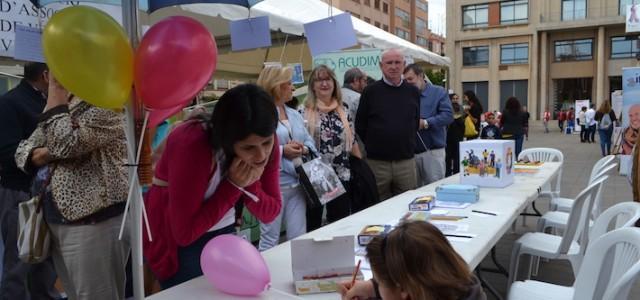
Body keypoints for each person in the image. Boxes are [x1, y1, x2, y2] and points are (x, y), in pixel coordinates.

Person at [143, 84, 282, 289]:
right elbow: (184, 234)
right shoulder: (192, 143)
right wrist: (234, 185)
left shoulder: (265, 136)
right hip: (176, 244)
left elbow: (271, 212)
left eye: (267, 143)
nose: (261, 155)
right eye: (248, 147)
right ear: (228, 141)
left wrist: (247, 184)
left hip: (223, 233)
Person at [15, 74, 129, 299]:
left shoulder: (109, 102)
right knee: (75, 293)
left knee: (95, 294)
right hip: (58, 218)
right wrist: (50, 152)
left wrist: (55, 96)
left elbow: (65, 144)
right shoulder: (70, 100)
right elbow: (23, 151)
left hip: (94, 219)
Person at [0, 63, 58, 300]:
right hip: (21, 195)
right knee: (19, 265)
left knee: (45, 267)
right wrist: (46, 152)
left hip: (47, 195)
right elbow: (6, 152)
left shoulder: (48, 103)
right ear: (46, 75)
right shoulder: (11, 103)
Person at [338, 221, 486, 300]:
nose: (377, 286)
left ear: (403, 290)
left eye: (379, 282)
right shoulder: (463, 285)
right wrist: (371, 288)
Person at [256, 66, 316, 251]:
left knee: (298, 237)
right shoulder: (260, 115)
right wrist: (282, 151)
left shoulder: (293, 113)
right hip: (272, 186)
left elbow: (309, 141)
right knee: (269, 239)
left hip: (298, 184)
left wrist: (304, 149)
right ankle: (265, 277)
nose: (293, 87)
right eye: (288, 83)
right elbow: (255, 148)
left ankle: (298, 275)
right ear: (276, 86)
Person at [356, 49, 420, 200]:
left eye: (397, 62)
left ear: (404, 65)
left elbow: (415, 122)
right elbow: (360, 124)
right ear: (381, 66)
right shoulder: (370, 92)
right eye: (389, 63)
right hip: (377, 164)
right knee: (378, 205)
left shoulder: (412, 91)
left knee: (407, 204)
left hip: (406, 163)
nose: (393, 66)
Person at [303, 65, 361, 231]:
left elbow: (353, 139)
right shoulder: (304, 111)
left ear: (334, 83)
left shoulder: (343, 109)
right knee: (313, 224)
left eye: (327, 79)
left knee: (340, 223)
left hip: (341, 172)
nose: (324, 84)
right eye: (319, 80)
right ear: (312, 86)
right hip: (316, 175)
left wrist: (360, 166)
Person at [403, 64, 453, 186]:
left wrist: (426, 123)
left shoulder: (438, 92)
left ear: (421, 76)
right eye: (405, 81)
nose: (407, 83)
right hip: (411, 154)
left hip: (433, 152)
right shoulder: (405, 95)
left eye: (410, 79)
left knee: (435, 189)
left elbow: (448, 116)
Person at [446, 98, 465, 177]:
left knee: (449, 157)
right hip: (456, 139)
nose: (455, 100)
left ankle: (448, 172)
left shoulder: (449, 119)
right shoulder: (460, 120)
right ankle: (456, 172)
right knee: (455, 157)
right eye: (454, 98)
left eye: (457, 98)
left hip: (450, 139)